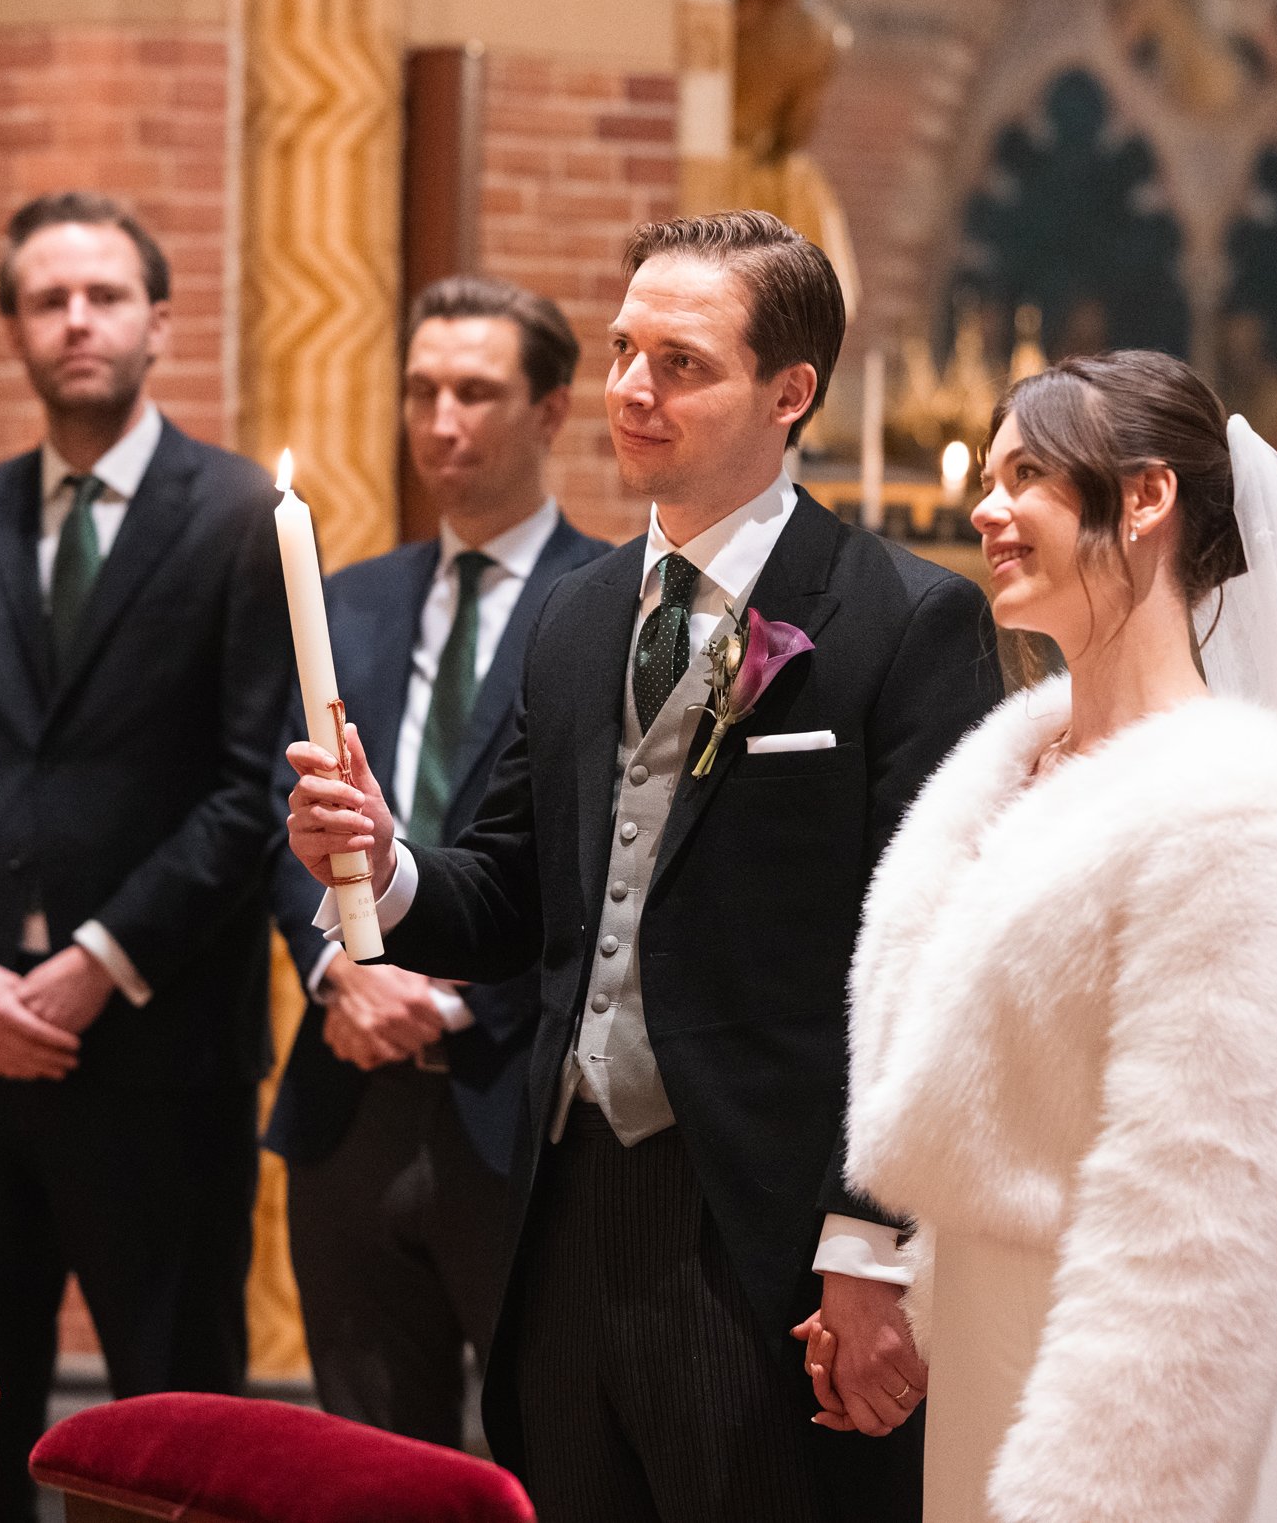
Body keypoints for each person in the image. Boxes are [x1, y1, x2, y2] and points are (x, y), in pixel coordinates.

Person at [285, 209, 1003, 1522]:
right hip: (562, 1207)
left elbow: (935, 962)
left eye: (681, 363)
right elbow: (509, 889)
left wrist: (867, 1244)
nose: (631, 388)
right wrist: (384, 869)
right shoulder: (577, 615)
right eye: (623, 349)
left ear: (789, 392)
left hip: (766, 1223)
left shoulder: (903, 618)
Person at [837, 351, 1277, 1522]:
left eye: (1026, 474)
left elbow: (1209, 1222)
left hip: (1143, 1422)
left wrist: (1096, 1489)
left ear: (1145, 496)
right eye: (988, 476)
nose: (984, 508)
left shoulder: (1241, 816)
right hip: (988, 1352)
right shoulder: (1008, 771)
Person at [0, 191, 292, 1523]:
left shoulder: (239, 514)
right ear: (12, 329)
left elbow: (251, 786)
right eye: (47, 300)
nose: (77, 320)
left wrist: (99, 959)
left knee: (176, 1426)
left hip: (162, 1050)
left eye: (105, 295)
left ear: (159, 320)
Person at [265, 274, 610, 1444]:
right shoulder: (350, 599)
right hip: (348, 1096)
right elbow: (280, 813)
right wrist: (340, 972)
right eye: (421, 391)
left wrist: (454, 993)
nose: (441, 420)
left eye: (474, 391)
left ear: (550, 409)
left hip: (519, 1096)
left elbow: (596, 851)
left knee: (543, 1449)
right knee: (369, 1462)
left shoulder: (604, 603)